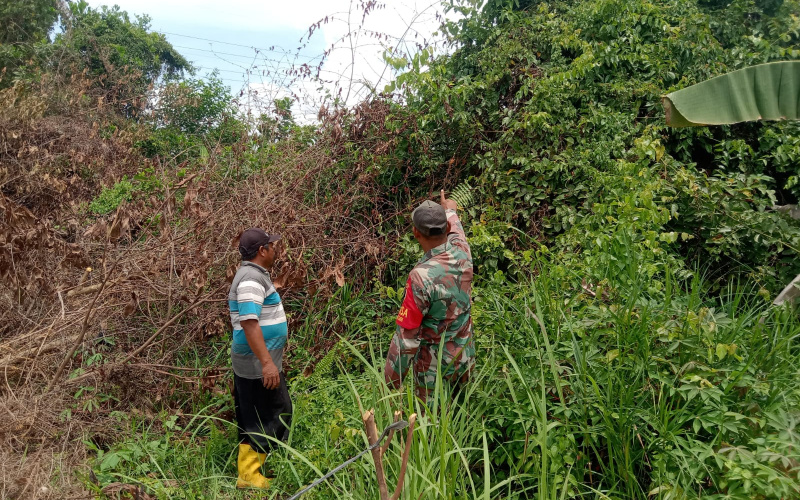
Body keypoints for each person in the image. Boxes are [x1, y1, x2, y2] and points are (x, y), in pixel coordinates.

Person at [384, 190, 475, 401]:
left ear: (416, 233)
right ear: (448, 228)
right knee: (464, 418)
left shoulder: (420, 278)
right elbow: (456, 228)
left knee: (434, 428)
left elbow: (407, 339)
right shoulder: (463, 251)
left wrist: (390, 383)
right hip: (464, 360)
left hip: (433, 374)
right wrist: (449, 209)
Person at [228, 228, 292, 489]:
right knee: (275, 413)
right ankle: (250, 476)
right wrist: (267, 363)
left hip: (258, 362)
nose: (276, 249)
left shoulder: (254, 276)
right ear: (261, 251)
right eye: (272, 245)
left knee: (253, 415)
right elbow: (250, 323)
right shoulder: (251, 280)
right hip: (257, 365)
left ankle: (249, 474)